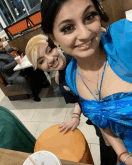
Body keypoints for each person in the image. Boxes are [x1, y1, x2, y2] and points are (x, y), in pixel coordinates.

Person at [41, 0, 132, 164]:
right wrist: (124, 155)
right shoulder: (71, 74)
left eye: (89, 17)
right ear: (53, 38)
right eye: (68, 28)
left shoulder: (125, 43)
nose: (85, 34)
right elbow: (103, 123)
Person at [26, 34, 117, 164]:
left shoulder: (80, 59)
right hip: (99, 123)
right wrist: (75, 116)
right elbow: (78, 99)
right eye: (41, 61)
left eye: (50, 50)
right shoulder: (61, 79)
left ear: (56, 45)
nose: (50, 59)